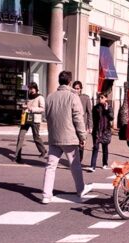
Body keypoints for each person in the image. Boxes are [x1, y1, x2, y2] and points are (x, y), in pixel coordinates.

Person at [42, 71, 92, 204]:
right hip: (69, 136)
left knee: (50, 166)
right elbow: (78, 118)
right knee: (75, 165)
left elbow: (46, 116)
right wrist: (83, 136)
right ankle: (80, 189)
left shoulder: (50, 97)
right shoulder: (72, 96)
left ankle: (46, 194)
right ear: (70, 82)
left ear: (59, 81)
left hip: (54, 136)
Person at [15, 82, 47, 163]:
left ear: (36, 88)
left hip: (35, 120)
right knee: (20, 136)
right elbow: (26, 106)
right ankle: (17, 155)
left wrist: (31, 108)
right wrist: (24, 106)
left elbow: (42, 109)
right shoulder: (28, 97)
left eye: (32, 88)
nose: (31, 90)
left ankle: (43, 151)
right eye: (30, 88)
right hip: (26, 119)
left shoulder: (40, 97)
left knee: (36, 137)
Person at [88, 93, 114, 172]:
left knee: (105, 147)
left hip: (106, 130)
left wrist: (106, 110)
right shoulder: (96, 107)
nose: (100, 99)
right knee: (95, 147)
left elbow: (111, 117)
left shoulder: (109, 107)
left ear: (106, 98)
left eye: (102, 97)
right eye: (99, 97)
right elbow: (92, 118)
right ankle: (92, 166)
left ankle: (105, 163)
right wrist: (91, 127)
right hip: (97, 130)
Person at [72, 80, 93, 162]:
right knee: (73, 144)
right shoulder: (70, 97)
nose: (76, 90)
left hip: (82, 125)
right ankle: (74, 160)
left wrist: (90, 126)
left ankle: (79, 160)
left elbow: (89, 113)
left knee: (81, 144)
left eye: (78, 88)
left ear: (81, 89)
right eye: (74, 88)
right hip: (72, 125)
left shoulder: (85, 98)